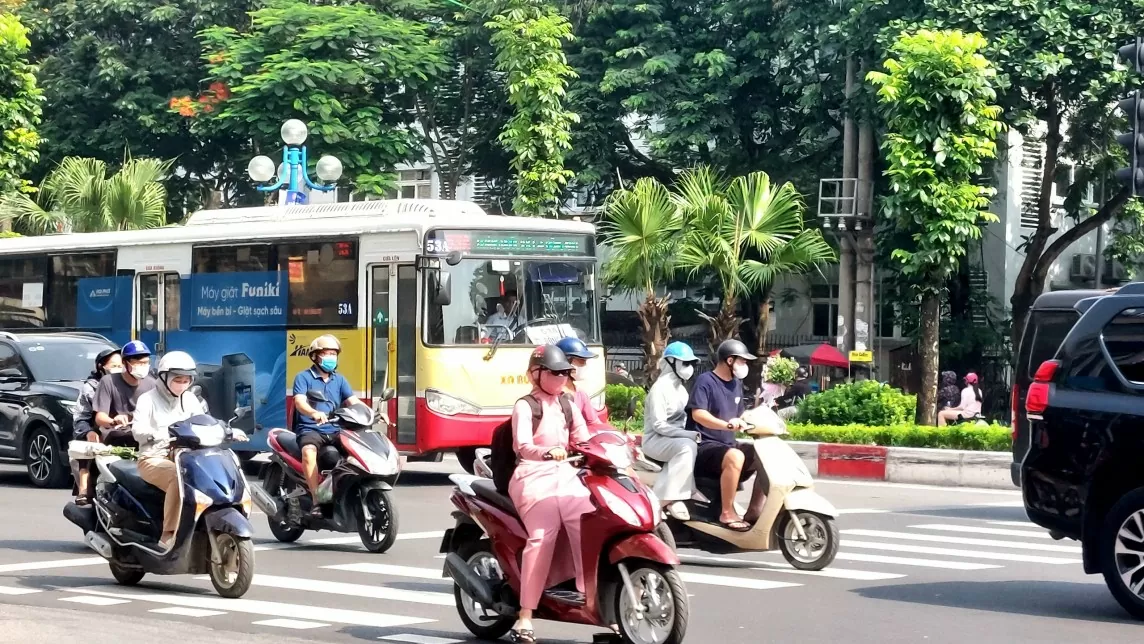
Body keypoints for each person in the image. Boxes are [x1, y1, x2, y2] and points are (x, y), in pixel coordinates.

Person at [507, 345, 594, 644]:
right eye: (555, 372)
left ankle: (588, 594)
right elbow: (522, 446)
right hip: (531, 475)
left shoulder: (568, 403)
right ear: (536, 373)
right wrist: (547, 452)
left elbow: (584, 439)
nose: (561, 377)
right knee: (543, 535)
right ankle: (525, 616)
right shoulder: (525, 405)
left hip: (566, 474)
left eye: (564, 372)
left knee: (587, 523)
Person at [686, 339, 764, 531]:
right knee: (736, 456)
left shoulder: (736, 384)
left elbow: (739, 414)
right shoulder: (705, 381)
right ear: (730, 360)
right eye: (743, 361)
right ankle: (727, 512)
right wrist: (727, 425)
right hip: (705, 446)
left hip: (726, 446)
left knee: (763, 454)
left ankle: (754, 509)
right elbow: (699, 414)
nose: (745, 365)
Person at [131, 352, 205, 551]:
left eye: (186, 380)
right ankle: (168, 534)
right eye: (177, 379)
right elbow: (137, 431)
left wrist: (227, 430)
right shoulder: (147, 400)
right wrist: (158, 433)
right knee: (177, 477)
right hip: (153, 457)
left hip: (186, 456)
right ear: (164, 378)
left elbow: (203, 421)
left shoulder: (189, 399)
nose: (181, 384)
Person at [292, 334, 363, 518]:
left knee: (357, 453)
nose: (331, 357)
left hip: (335, 429)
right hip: (310, 429)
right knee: (308, 453)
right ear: (315, 356)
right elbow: (300, 402)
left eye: (334, 354)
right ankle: (317, 500)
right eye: (326, 353)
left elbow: (353, 402)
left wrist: (373, 414)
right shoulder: (303, 378)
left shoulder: (339, 380)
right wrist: (313, 413)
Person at [642, 341, 701, 520]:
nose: (689, 368)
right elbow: (659, 425)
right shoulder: (659, 389)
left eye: (691, 364)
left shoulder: (682, 390)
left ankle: (687, 492)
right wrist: (687, 435)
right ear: (670, 363)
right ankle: (664, 500)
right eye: (685, 363)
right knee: (687, 447)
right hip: (655, 440)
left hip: (674, 439)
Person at [70, 348, 123, 506]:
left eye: (121, 365)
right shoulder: (91, 388)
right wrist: (88, 432)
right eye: (114, 365)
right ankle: (84, 490)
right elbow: (81, 417)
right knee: (88, 446)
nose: (118, 369)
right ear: (101, 367)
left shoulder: (132, 383)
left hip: (130, 430)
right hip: (101, 431)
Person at [93, 340, 156, 447]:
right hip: (118, 435)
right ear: (124, 363)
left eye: (145, 363)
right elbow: (100, 417)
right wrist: (114, 421)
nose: (143, 366)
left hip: (145, 436)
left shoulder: (152, 384)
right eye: (138, 363)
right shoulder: (108, 381)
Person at [554, 336, 607, 432]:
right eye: (581, 361)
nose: (585, 366)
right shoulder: (550, 393)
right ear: (566, 362)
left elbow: (594, 422)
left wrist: (617, 434)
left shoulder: (581, 394)